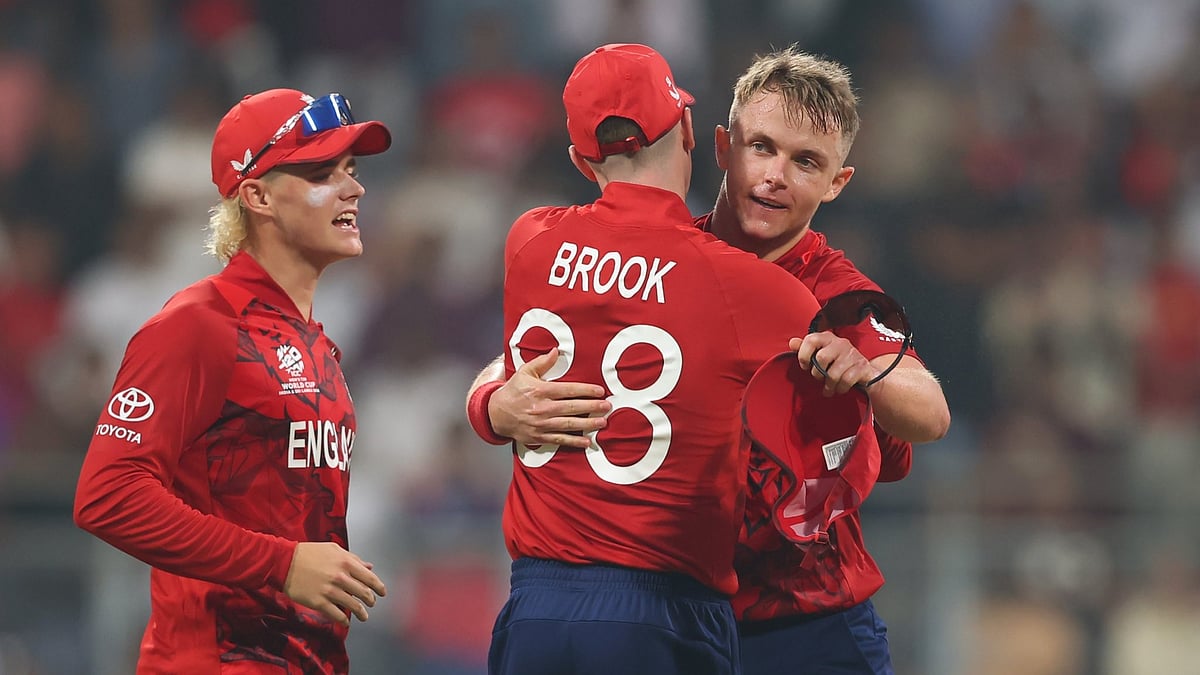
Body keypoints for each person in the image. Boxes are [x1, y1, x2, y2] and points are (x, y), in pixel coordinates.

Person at [467, 46, 951, 675]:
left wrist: (865, 372)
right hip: (683, 614)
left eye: (806, 162)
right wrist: (494, 404)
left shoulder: (838, 293)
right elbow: (519, 357)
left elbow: (928, 411)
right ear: (720, 146)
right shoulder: (676, 257)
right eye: (763, 147)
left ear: (838, 183)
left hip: (806, 621)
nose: (776, 175)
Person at [73, 88, 392, 674]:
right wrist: (282, 564)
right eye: (323, 171)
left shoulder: (316, 345)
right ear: (257, 195)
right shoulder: (198, 324)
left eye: (351, 169)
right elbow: (107, 495)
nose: (354, 188)